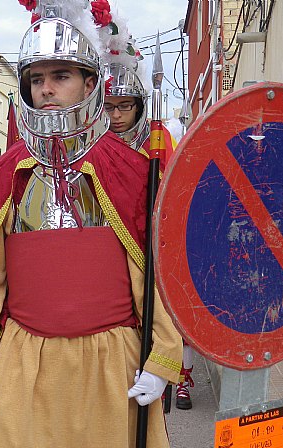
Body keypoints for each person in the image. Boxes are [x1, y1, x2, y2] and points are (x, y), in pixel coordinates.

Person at [0, 3, 183, 448]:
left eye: (61, 75)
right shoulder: (7, 176)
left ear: (91, 83)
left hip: (110, 372)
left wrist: (162, 357)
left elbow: (158, 279)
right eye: (37, 78)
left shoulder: (133, 172)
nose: (47, 88)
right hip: (24, 370)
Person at [100, 20, 189, 412]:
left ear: (138, 106)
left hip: (152, 247)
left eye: (125, 106)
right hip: (110, 259)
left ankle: (180, 379)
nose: (117, 116)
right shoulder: (93, 148)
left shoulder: (157, 142)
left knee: (169, 319)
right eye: (110, 107)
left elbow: (173, 197)